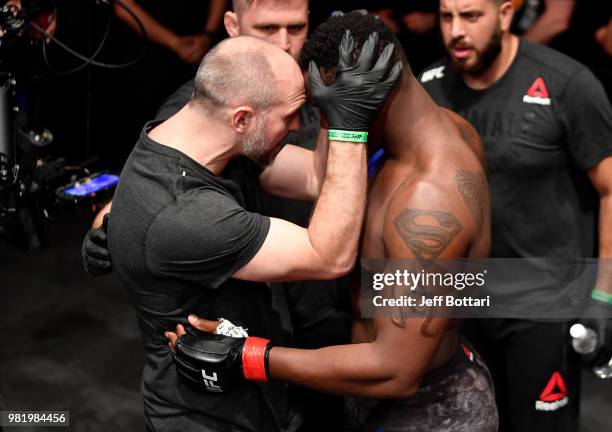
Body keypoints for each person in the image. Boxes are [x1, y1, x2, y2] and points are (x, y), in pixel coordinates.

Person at [167, 12, 497, 432]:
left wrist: (248, 357)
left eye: (328, 110)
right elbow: (320, 174)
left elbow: (396, 370)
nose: (326, 125)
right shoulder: (447, 129)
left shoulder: (427, 198)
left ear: (371, 95)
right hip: (387, 392)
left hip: (426, 411)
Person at [107, 33, 399, 432]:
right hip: (207, 419)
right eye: (290, 115)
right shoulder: (186, 212)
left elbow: (317, 178)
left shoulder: (206, 144)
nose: (299, 126)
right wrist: (351, 127)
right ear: (242, 118)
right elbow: (329, 255)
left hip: (254, 400)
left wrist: (333, 110)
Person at [419, 0, 612, 431]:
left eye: (470, 17)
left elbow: (610, 188)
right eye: (447, 16)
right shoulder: (428, 88)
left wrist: (604, 296)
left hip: (542, 305)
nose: (455, 31)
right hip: (463, 303)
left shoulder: (567, 84)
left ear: (505, 14)